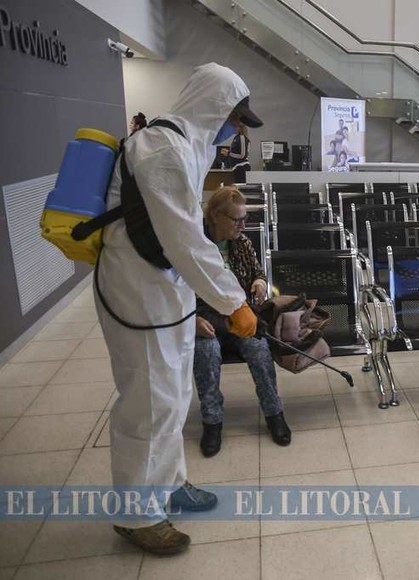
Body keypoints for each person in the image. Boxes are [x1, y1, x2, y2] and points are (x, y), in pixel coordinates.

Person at [95, 63, 263, 555]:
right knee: (149, 401)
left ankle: (169, 484)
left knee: (172, 392)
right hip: (137, 293)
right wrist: (233, 302)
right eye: (234, 119)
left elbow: (183, 241)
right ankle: (139, 516)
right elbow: (188, 239)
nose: (236, 130)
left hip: (163, 291)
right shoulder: (163, 149)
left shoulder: (186, 146)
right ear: (213, 106)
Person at [195, 187, 291, 458]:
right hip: (205, 319)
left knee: (260, 352)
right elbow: (174, 294)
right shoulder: (194, 247)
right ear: (215, 216)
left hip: (240, 317)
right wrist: (192, 321)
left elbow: (258, 273)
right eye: (236, 220)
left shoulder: (242, 243)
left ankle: (274, 414)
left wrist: (260, 282)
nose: (242, 225)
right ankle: (212, 421)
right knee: (206, 353)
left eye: (244, 219)